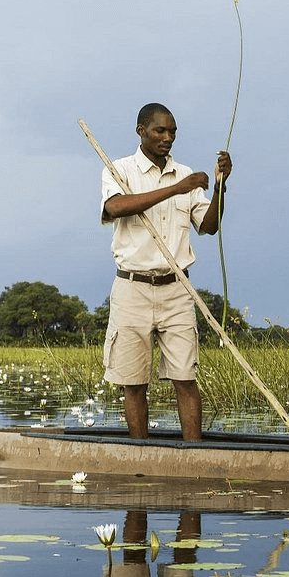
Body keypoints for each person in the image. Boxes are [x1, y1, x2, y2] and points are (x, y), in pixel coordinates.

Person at [101, 102, 231, 441]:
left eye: (173, 131)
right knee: (133, 381)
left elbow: (209, 225)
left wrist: (220, 186)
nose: (168, 137)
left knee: (185, 377)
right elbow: (115, 207)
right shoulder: (119, 169)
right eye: (160, 130)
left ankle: (194, 455)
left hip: (176, 290)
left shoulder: (185, 173)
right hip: (132, 287)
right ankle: (141, 454)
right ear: (141, 130)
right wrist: (176, 188)